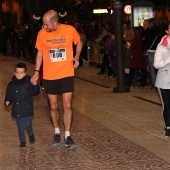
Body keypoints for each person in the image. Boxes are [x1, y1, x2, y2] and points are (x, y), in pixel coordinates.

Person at [31, 10, 83, 149]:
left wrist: (76, 57)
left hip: (66, 73)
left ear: (55, 22)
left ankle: (67, 135)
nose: (44, 27)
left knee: (67, 106)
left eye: (47, 24)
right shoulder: (42, 33)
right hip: (49, 75)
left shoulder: (69, 30)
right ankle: (56, 132)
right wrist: (36, 71)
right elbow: (40, 53)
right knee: (53, 106)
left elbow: (79, 42)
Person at [4, 63, 40, 147]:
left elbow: (35, 92)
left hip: (26, 109)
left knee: (28, 125)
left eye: (21, 72)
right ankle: (22, 141)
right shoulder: (11, 84)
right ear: (14, 73)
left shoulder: (28, 82)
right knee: (20, 127)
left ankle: (31, 135)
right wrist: (7, 101)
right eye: (17, 72)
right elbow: (9, 95)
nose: (19, 74)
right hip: (17, 109)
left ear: (25, 73)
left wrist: (34, 84)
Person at [153, 22, 170, 137]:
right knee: (167, 105)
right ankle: (168, 127)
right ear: (167, 31)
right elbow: (156, 64)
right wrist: (169, 59)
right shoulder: (162, 46)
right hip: (165, 80)